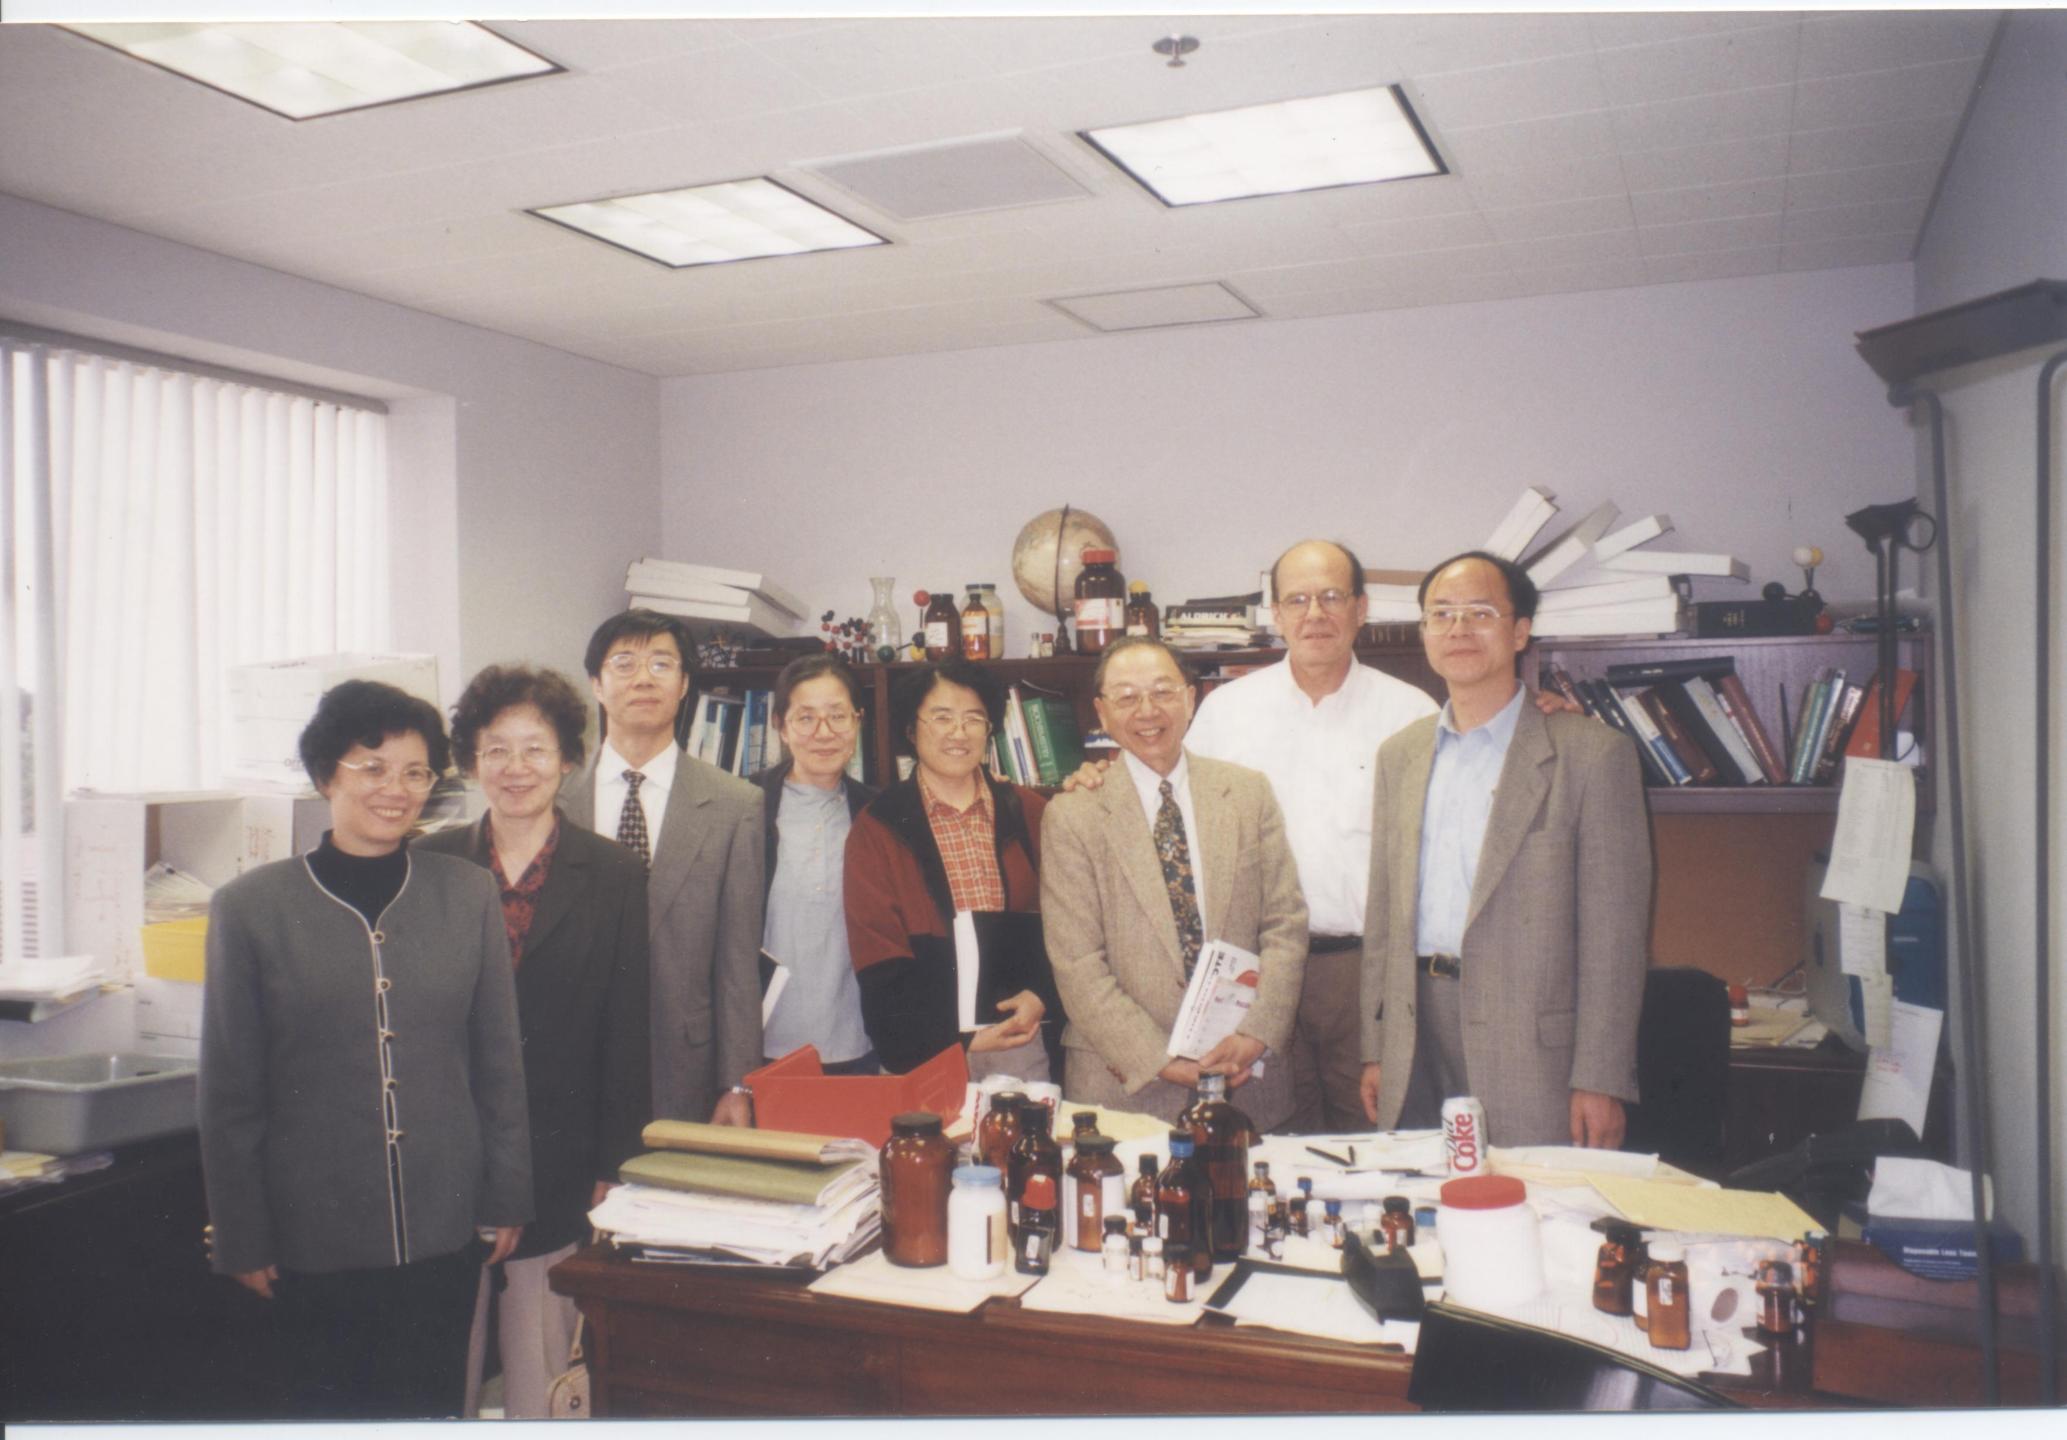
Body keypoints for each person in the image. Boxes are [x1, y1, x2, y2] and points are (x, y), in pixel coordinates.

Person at [199, 680, 531, 1419]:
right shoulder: (250, 908)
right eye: (372, 767)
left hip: (444, 1226)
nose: (396, 789)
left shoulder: (468, 893)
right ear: (326, 775)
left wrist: (507, 1195)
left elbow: (498, 1063)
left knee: (431, 1409)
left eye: (416, 772)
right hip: (311, 1234)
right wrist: (242, 1237)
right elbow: (229, 1093)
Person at [417, 665, 650, 1420]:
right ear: (470, 761)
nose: (515, 768)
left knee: (542, 1367)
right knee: (443, 1360)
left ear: (568, 760)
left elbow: (625, 1026)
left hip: (561, 1153)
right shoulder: (430, 866)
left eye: (535, 749)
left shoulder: (614, 873)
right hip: (451, 1153)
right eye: (496, 749)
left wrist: (615, 1162)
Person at [1360, 551, 1652, 1149]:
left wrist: (1600, 1078)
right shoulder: (1399, 755)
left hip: (1533, 1045)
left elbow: (1615, 938)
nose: (1459, 629)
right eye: (1441, 614)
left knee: (1535, 1197)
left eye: (1480, 612)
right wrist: (1376, 1046)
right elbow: (1384, 915)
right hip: (1415, 1032)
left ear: (1520, 632)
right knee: (1418, 1193)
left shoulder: (1592, 755)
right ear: (1423, 632)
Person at [1041, 638, 1309, 1127]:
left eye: (1163, 692)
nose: (1147, 711)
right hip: (1124, 1086)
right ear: (1102, 712)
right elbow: (1077, 963)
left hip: (1247, 1077)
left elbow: (1285, 924)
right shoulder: (1073, 815)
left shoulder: (1247, 794)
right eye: (1126, 697)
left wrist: (1257, 1033)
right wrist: (1158, 1059)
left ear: (1190, 699)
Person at [559, 609, 764, 1127]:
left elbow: (738, 962)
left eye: (661, 663)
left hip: (685, 1068)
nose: (643, 678)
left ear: (685, 684)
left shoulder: (735, 804)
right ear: (596, 684)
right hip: (571, 1067)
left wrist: (737, 1082)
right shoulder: (555, 800)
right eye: (624, 663)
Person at [843, 659, 1058, 1079]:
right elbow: (877, 956)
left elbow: (1069, 925)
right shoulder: (879, 826)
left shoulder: (1029, 812)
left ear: (989, 730)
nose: (959, 733)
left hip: (1019, 1040)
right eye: (942, 717)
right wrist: (958, 1041)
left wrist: (1041, 995)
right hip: (922, 1052)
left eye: (973, 718)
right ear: (911, 729)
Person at [751, 653, 879, 1073]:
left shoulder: (881, 813)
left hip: (861, 1041)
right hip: (763, 1043)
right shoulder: (745, 806)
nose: (824, 733)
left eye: (838, 716)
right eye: (805, 718)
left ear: (858, 722)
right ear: (781, 726)